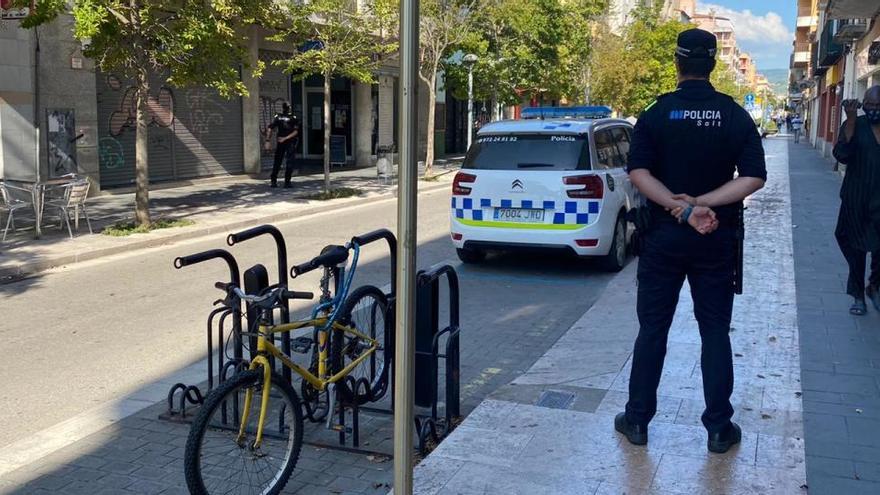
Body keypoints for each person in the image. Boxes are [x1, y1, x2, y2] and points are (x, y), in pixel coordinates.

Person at [614, 28, 766, 454]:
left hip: (663, 240)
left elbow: (638, 173)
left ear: (678, 64)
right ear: (713, 64)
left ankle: (638, 420)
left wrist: (680, 208)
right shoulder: (733, 114)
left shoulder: (657, 113)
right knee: (715, 332)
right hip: (716, 240)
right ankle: (719, 428)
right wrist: (702, 204)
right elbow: (754, 176)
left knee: (652, 331)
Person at [833, 86, 880, 315]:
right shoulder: (856, 125)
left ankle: (875, 285)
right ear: (863, 104)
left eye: (878, 106)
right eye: (870, 105)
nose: (874, 110)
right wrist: (850, 120)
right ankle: (858, 295)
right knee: (855, 248)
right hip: (856, 199)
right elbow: (842, 155)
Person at [266, 102, 300, 188]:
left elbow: (270, 128)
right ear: (289, 108)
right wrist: (286, 138)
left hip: (280, 142)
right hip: (289, 142)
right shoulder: (293, 118)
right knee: (290, 162)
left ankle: (273, 181)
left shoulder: (278, 117)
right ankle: (287, 182)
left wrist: (267, 140)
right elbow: (295, 132)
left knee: (277, 161)